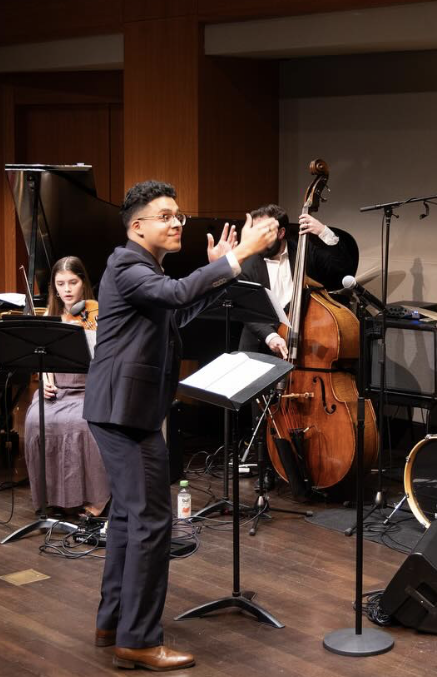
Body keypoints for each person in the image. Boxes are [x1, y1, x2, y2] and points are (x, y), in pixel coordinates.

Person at [83, 180, 278, 672]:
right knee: (152, 522)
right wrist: (234, 260)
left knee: (129, 520)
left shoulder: (144, 271)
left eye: (178, 216)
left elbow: (179, 308)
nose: (176, 224)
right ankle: (140, 640)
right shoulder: (127, 264)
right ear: (138, 226)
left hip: (126, 409)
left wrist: (222, 274)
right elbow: (174, 293)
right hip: (125, 412)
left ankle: (114, 624)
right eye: (166, 216)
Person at [22, 256, 109, 517]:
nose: (67, 289)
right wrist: (46, 379)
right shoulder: (50, 316)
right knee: (36, 422)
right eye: (61, 284)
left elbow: (104, 361)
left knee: (82, 425)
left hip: (88, 390)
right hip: (57, 390)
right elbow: (44, 360)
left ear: (84, 283)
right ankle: (51, 500)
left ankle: (94, 500)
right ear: (54, 287)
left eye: (73, 282)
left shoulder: (97, 315)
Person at [237, 203, 358, 357]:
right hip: (260, 345)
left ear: (281, 233)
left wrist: (324, 232)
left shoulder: (305, 252)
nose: (256, 238)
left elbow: (342, 269)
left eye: (263, 232)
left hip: (303, 342)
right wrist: (271, 336)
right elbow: (247, 310)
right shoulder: (246, 263)